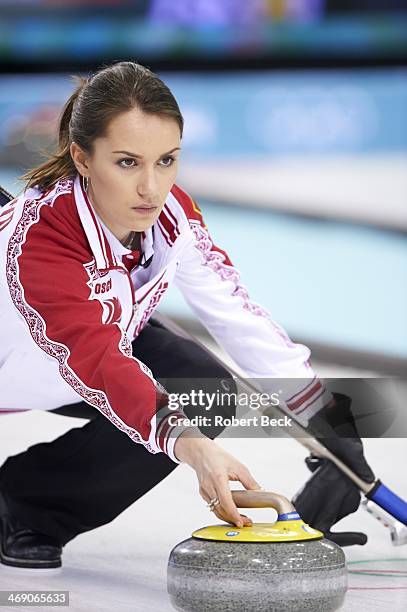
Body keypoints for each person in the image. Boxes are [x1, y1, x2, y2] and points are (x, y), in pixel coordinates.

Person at [0, 61, 374, 570]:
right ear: (82, 158)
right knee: (169, 404)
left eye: (167, 160)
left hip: (90, 347)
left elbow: (236, 314)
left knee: (205, 389)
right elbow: (96, 361)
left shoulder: (172, 215)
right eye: (128, 163)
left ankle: (24, 508)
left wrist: (327, 425)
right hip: (39, 364)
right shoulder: (41, 242)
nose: (152, 189)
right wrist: (192, 446)